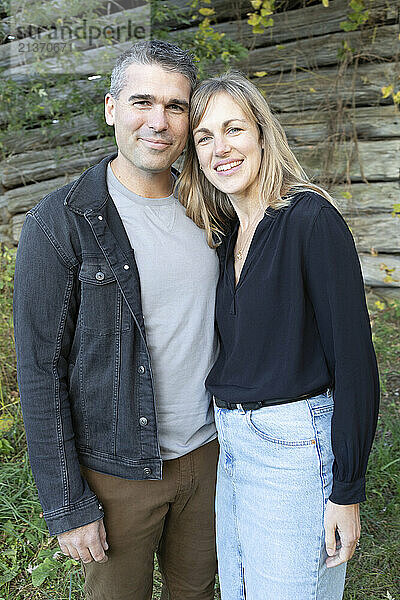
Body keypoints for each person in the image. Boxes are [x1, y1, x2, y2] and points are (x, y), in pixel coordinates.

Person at [13, 40, 220, 600]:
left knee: (198, 592)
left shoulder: (215, 206)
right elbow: (39, 373)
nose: (158, 122)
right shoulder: (59, 223)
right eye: (142, 102)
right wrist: (67, 504)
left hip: (211, 452)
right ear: (111, 108)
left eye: (176, 107)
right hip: (118, 468)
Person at [178, 70, 380, 600]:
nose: (220, 148)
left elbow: (356, 364)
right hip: (234, 444)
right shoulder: (223, 236)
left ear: (262, 134)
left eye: (233, 130)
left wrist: (346, 490)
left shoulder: (310, 220)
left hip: (293, 447)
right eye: (204, 137)